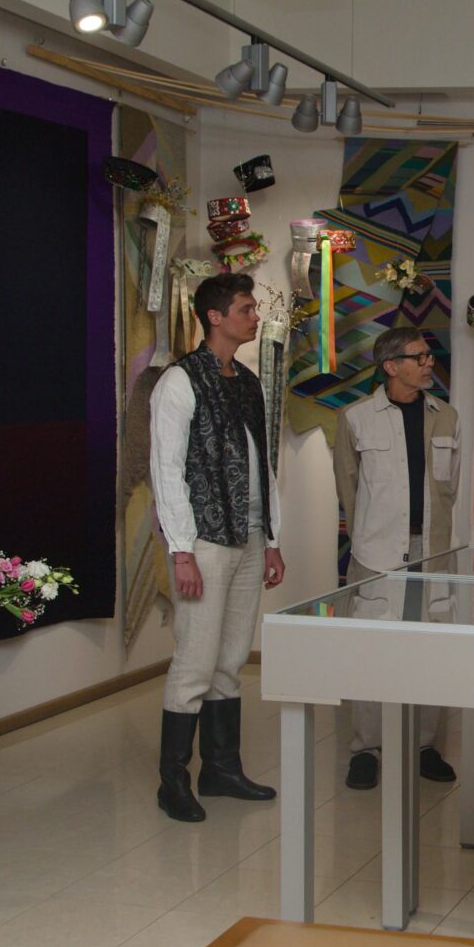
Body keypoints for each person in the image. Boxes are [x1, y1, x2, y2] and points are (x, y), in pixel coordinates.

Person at [148, 273, 286, 822]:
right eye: (246, 309)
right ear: (215, 316)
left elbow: (263, 463)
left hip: (248, 536)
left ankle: (222, 769)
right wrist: (181, 550)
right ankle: (173, 781)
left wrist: (271, 537)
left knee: (230, 661)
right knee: (195, 662)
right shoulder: (180, 381)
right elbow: (166, 469)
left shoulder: (248, 381)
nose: (255, 317)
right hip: (204, 540)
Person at [332, 327, 461, 791]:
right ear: (391, 366)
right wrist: (370, 536)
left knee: (431, 650)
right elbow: (348, 489)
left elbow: (449, 489)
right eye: (419, 357)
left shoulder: (447, 417)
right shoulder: (355, 418)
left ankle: (424, 745)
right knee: (371, 650)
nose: (429, 363)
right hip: (376, 553)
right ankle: (366, 749)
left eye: (428, 355)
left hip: (433, 552)